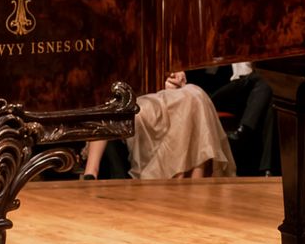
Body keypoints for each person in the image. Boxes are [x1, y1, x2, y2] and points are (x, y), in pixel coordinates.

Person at [82, 72, 233, 180]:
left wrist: (175, 76)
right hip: (135, 99)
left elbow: (171, 71)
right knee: (193, 96)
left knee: (195, 93)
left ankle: (196, 177)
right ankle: (91, 172)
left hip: (162, 95)